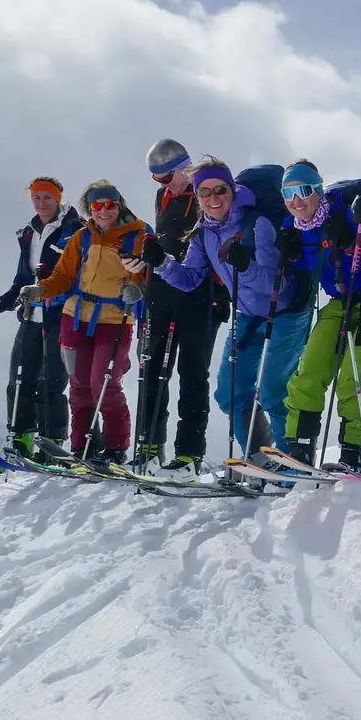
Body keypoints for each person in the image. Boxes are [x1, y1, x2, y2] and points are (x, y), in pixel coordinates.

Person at [136, 157, 304, 459]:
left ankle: (293, 461)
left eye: (220, 190)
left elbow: (278, 285)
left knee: (274, 392)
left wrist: (245, 265)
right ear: (198, 196)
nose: (213, 199)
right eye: (205, 192)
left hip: (287, 313)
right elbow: (190, 279)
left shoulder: (257, 224)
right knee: (229, 392)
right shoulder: (204, 231)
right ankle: (260, 460)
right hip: (249, 315)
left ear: (233, 190)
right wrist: (161, 262)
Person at [275, 161, 361, 469]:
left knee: (355, 375)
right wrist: (291, 256)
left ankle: (354, 450)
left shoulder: (348, 214)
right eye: (287, 193)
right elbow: (311, 265)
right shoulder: (296, 228)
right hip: (342, 298)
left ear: (317, 190)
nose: (295, 201)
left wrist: (347, 244)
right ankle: (299, 448)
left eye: (302, 190)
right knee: (310, 368)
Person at [25, 180, 152, 465]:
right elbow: (62, 277)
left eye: (109, 205)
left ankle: (117, 448)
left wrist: (139, 289)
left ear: (119, 205)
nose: (104, 212)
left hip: (115, 319)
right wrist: (39, 290)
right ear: (90, 209)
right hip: (75, 316)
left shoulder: (138, 235)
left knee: (104, 384)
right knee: (79, 385)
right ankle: (82, 446)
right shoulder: (82, 238)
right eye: (97, 206)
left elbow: (148, 276)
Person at [132, 139, 224, 473]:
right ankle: (149, 444)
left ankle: (189, 452)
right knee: (152, 368)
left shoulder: (205, 194)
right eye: (156, 178)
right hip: (162, 288)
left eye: (166, 175)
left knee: (192, 372)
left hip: (199, 294)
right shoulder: (165, 195)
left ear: (185, 165)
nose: (162, 183)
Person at [0, 177, 83, 461]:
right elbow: (22, 280)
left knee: (51, 381)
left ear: (58, 199)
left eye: (47, 198)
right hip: (29, 315)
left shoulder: (73, 230)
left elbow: (76, 278)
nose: (41, 203)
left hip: (58, 315)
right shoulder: (29, 233)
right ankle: (20, 439)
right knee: (20, 378)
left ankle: (51, 444)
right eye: (36, 197)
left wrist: (53, 296)